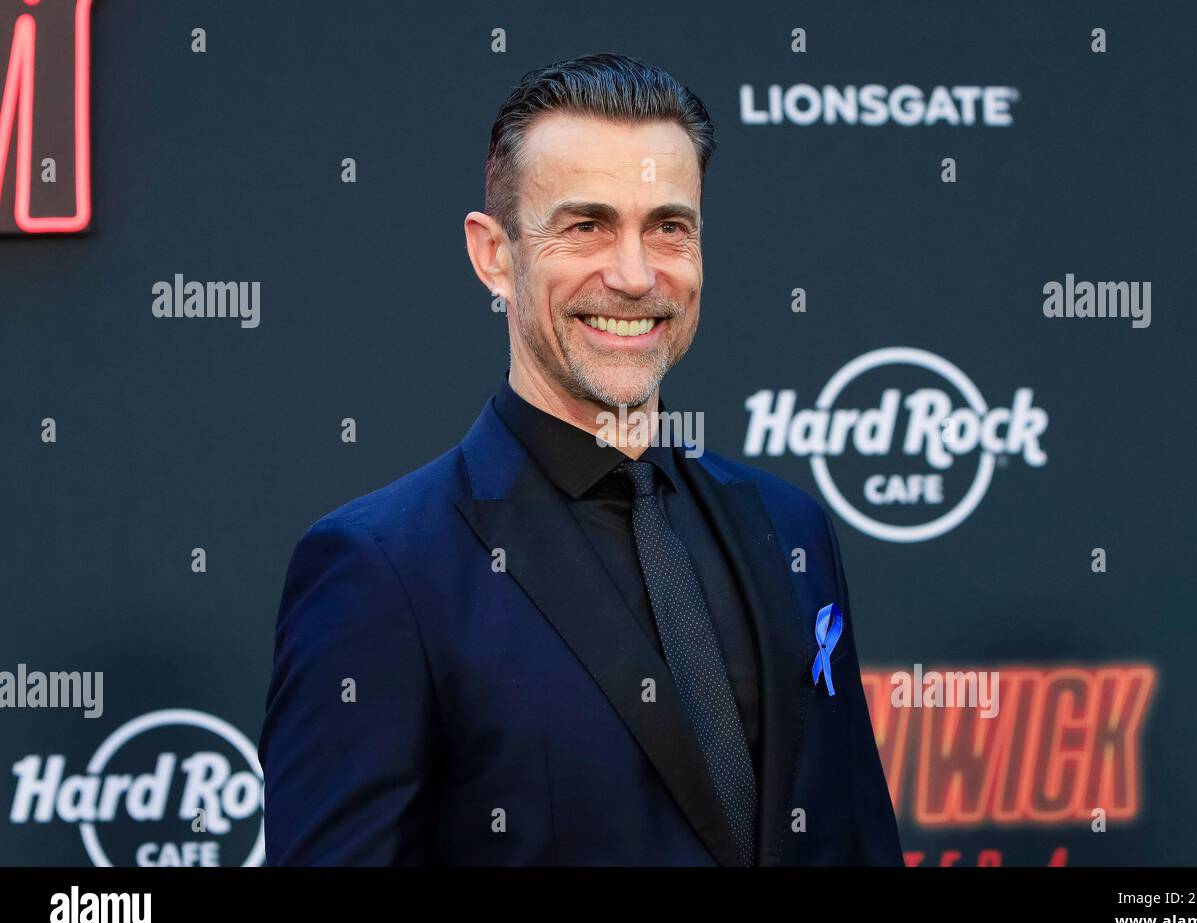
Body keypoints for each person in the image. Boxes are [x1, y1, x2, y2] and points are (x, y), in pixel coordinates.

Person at [258, 52, 902, 866]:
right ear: (494, 255)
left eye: (668, 227)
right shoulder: (384, 570)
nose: (634, 276)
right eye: (586, 225)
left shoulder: (790, 528)